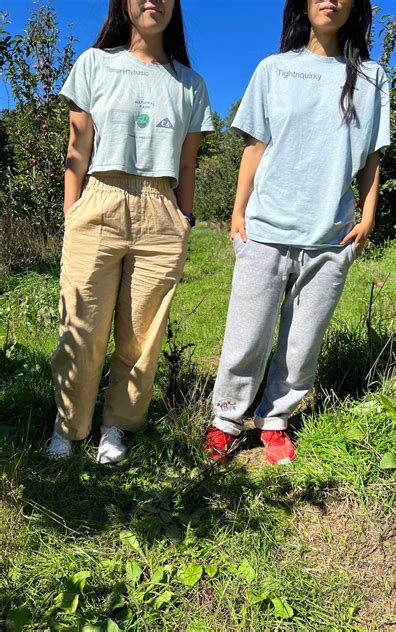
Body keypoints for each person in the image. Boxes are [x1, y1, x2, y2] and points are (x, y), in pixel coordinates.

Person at [205, 0, 390, 465]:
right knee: (246, 333)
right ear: (303, 5)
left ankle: (274, 420)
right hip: (266, 226)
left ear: (355, 6)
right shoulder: (274, 69)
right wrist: (238, 212)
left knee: (302, 340)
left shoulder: (372, 77)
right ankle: (226, 419)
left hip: (331, 234)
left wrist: (367, 216)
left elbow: (371, 157)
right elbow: (255, 145)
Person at [47, 0, 214, 463]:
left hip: (162, 209)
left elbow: (187, 163)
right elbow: (77, 147)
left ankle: (116, 426)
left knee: (142, 335)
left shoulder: (189, 83)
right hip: (99, 197)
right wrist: (72, 213)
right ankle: (69, 427)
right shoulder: (96, 63)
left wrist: (184, 219)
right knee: (81, 326)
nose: (152, 2)